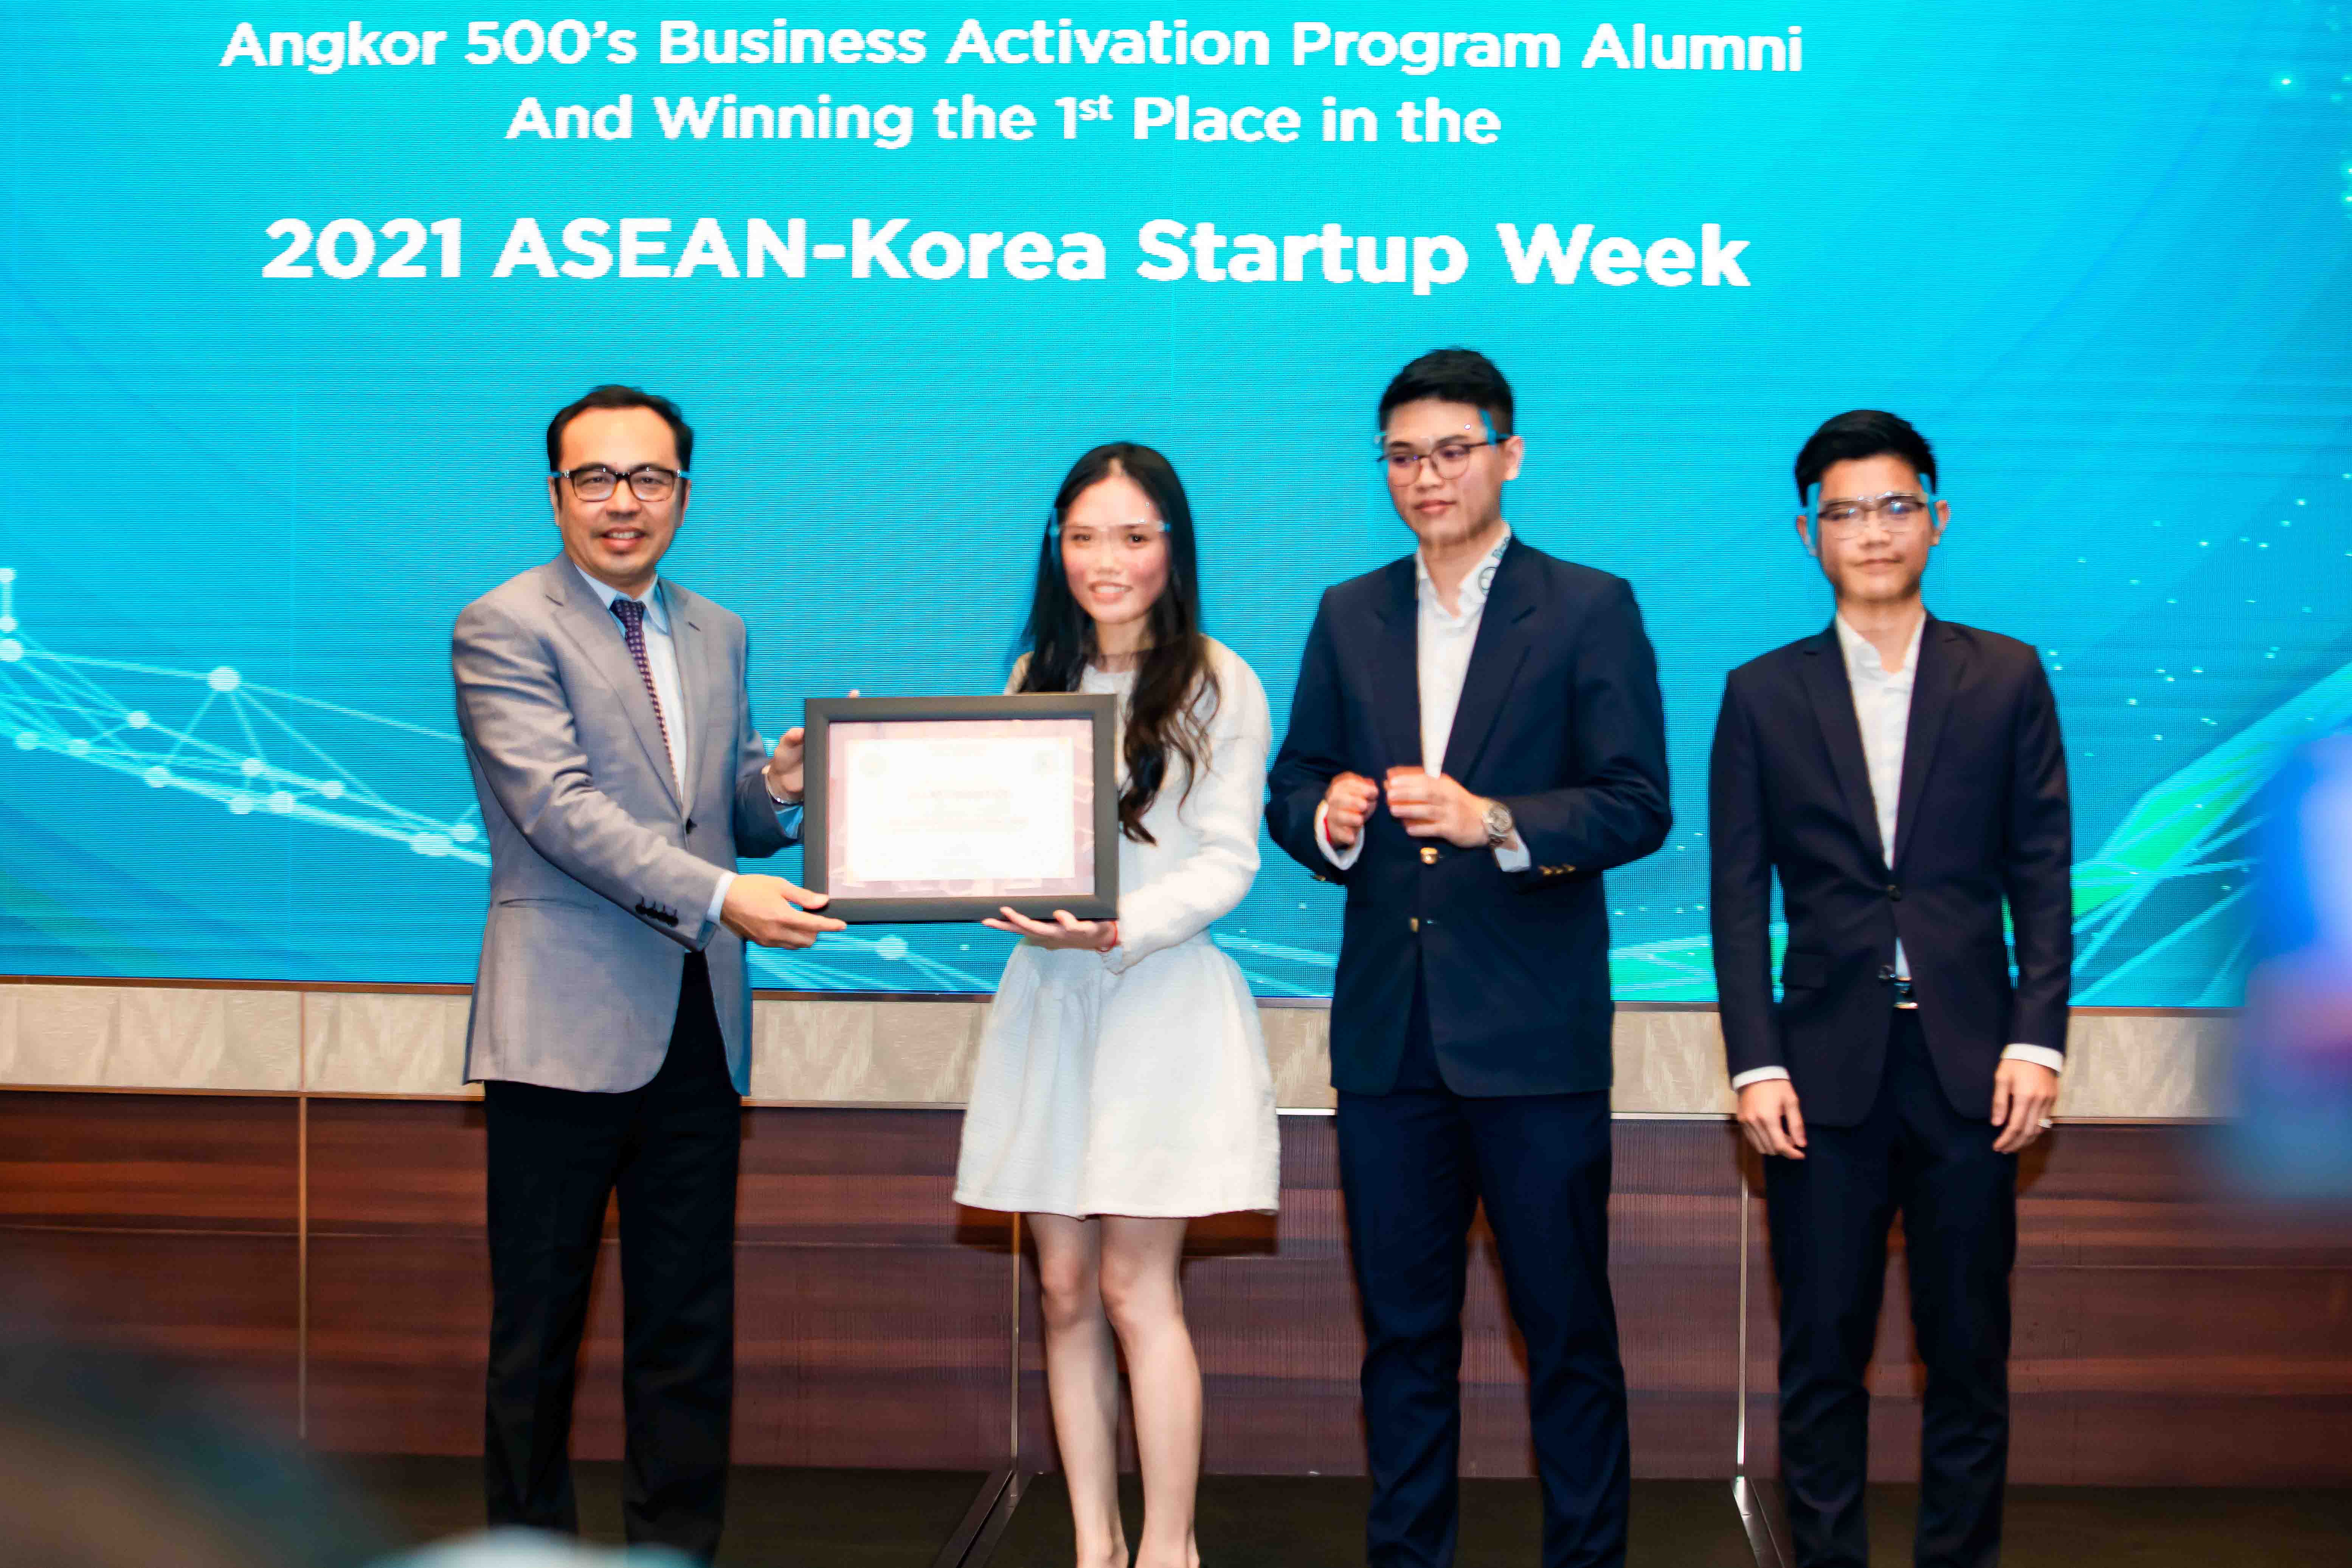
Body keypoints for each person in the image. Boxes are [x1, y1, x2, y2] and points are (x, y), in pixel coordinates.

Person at [1266, 349, 1671, 1568]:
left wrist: (1494, 819)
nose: (1426, 476)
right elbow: (1293, 783)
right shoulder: (1349, 612)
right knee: (1402, 1339)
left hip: (1533, 1041)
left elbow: (1636, 802)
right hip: (1389, 1042)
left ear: (1509, 454)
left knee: (1567, 1334)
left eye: (1452, 450)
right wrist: (1328, 816)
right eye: (1402, 456)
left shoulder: (1588, 607)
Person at [451, 385, 844, 1560]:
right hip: (560, 1027)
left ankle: (673, 1549)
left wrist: (776, 786)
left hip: (698, 1025)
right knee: (538, 1331)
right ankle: (528, 1550)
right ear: (555, 494)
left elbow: (713, 812)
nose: (623, 501)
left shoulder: (715, 629)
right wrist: (722, 894)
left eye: (650, 478)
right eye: (595, 478)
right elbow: (559, 811)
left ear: (684, 492)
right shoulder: (502, 625)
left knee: (686, 1328)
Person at [1708, 409, 2071, 1568]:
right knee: (1821, 1353)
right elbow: (1735, 895)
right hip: (1819, 1074)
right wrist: (1754, 1060)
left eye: (1895, 506)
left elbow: (2041, 872)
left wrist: (2037, 1040)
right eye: (1846, 512)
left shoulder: (2005, 675)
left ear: (1936, 518)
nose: (1872, 531)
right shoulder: (1761, 692)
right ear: (1808, 533)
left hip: (1973, 1066)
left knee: (1967, 1351)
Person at [954, 442, 1279, 1568]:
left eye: (1134, 536)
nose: (1108, 560)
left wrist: (1118, 927)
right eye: (1086, 536)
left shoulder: (1219, 680)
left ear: (1172, 549)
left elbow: (1229, 860)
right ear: (1058, 546)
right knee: (1061, 1289)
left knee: (1141, 1288)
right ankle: (1095, 1545)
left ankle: (1167, 1548)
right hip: (1049, 1003)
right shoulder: (1032, 676)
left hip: (1160, 1003)